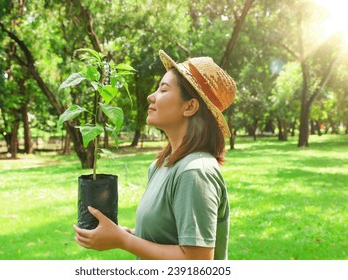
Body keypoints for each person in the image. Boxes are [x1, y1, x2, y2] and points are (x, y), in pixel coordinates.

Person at [73, 50, 236, 260]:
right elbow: (165, 237)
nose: (151, 96)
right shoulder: (162, 165)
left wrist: (123, 241)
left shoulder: (195, 172)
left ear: (190, 106)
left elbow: (198, 261)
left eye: (163, 89)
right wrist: (123, 234)